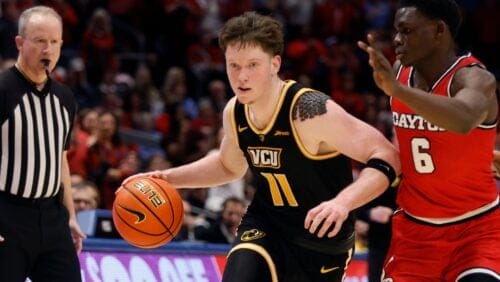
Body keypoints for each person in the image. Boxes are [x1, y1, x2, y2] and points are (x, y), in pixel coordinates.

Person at [124, 11, 400, 281]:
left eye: (252, 65)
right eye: (234, 65)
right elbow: (227, 165)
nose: (241, 76)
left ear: (275, 64)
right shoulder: (235, 111)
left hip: (321, 242)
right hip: (266, 225)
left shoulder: (309, 110)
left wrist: (343, 202)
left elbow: (387, 156)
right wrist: (168, 178)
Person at [358, 0, 500, 281]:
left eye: (407, 30)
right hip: (414, 233)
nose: (397, 39)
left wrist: (397, 90)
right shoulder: (399, 71)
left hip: (476, 230)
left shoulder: (475, 78)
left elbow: (463, 119)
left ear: (438, 30)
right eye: (396, 30)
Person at [0, 5, 85, 281]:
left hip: (52, 218)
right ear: (20, 43)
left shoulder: (65, 98)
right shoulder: (3, 90)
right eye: (39, 41)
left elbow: (60, 160)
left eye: (54, 42)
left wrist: (71, 216)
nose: (47, 49)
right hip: (7, 215)